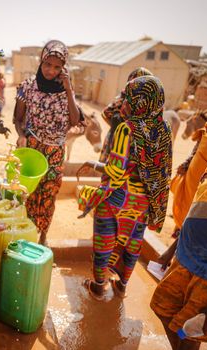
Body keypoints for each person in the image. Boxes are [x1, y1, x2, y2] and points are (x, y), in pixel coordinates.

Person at [76, 75, 172, 299]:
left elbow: (116, 171)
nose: (125, 104)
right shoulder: (165, 129)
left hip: (119, 199)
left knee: (105, 241)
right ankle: (122, 287)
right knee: (132, 245)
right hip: (144, 204)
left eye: (129, 99)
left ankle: (99, 287)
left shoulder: (127, 129)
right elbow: (163, 170)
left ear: (140, 102)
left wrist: (94, 164)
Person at [133, 164, 207, 350]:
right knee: (162, 306)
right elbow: (196, 210)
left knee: (192, 330)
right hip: (186, 257)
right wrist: (171, 250)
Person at [14, 40, 84, 245]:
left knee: (49, 194)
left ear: (63, 69)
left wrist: (69, 90)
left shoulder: (65, 92)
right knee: (28, 192)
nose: (51, 70)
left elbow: (75, 120)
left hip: (55, 152)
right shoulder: (28, 87)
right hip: (33, 148)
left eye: (57, 67)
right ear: (41, 60)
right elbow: (18, 118)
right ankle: (25, 234)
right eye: (47, 64)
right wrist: (21, 135)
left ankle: (43, 237)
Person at [169, 116, 207, 237]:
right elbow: (197, 152)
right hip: (197, 176)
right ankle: (179, 228)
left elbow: (196, 152)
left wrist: (186, 164)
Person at [99, 67, 153, 163]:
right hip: (122, 146)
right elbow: (105, 113)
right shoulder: (128, 98)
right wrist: (119, 130)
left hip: (125, 145)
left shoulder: (125, 97)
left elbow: (105, 114)